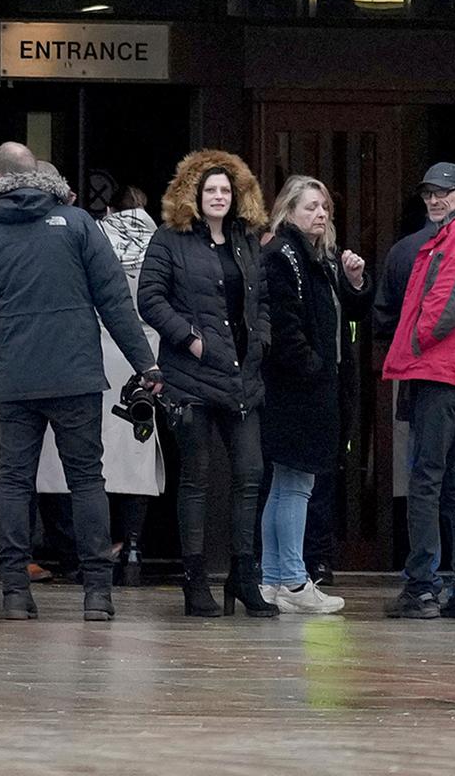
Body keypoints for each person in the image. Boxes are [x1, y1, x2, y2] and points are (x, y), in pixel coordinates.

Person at [0, 145, 163, 621]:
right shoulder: (78, 225)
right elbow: (114, 300)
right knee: (87, 479)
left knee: (13, 479)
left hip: (14, 372)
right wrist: (146, 364)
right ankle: (97, 592)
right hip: (75, 371)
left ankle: (14, 591)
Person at [139, 149, 271, 618]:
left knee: (250, 475)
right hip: (191, 377)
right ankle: (194, 579)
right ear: (193, 194)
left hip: (242, 377)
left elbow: (262, 299)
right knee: (195, 480)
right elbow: (149, 298)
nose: (218, 196)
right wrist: (189, 339)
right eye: (210, 189)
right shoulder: (169, 239)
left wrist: (262, 340)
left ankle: (244, 574)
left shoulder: (246, 239)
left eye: (226, 190)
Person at [382, 162, 455, 620]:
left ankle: (423, 588)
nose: (434, 200)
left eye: (443, 193)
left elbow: (444, 305)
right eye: (429, 194)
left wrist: (413, 344)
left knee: (428, 481)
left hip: (441, 371)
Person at [35, 179, 165, 588]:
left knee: (72, 461)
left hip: (89, 352)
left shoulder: (91, 236)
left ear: (107, 211)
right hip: (143, 355)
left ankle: (76, 551)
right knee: (136, 457)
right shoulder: (160, 244)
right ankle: (132, 547)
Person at [255, 176, 361, 615]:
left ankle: (276, 580)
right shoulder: (285, 255)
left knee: (286, 485)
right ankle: (293, 579)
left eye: (324, 208)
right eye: (310, 207)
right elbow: (284, 325)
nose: (320, 214)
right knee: (295, 486)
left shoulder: (320, 258)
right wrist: (315, 369)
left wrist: (354, 281)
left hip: (306, 386)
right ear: (288, 210)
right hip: (298, 390)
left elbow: (347, 315)